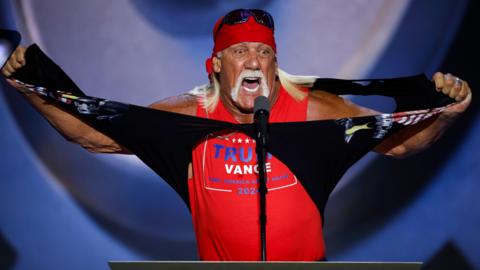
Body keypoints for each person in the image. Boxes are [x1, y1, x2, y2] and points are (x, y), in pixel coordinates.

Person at [1, 9, 472, 261]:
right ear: (217, 65)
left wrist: (450, 112)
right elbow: (90, 133)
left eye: (264, 53)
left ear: (274, 63)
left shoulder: (315, 113)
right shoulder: (184, 120)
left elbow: (406, 142)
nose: (253, 61)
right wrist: (26, 84)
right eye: (241, 51)